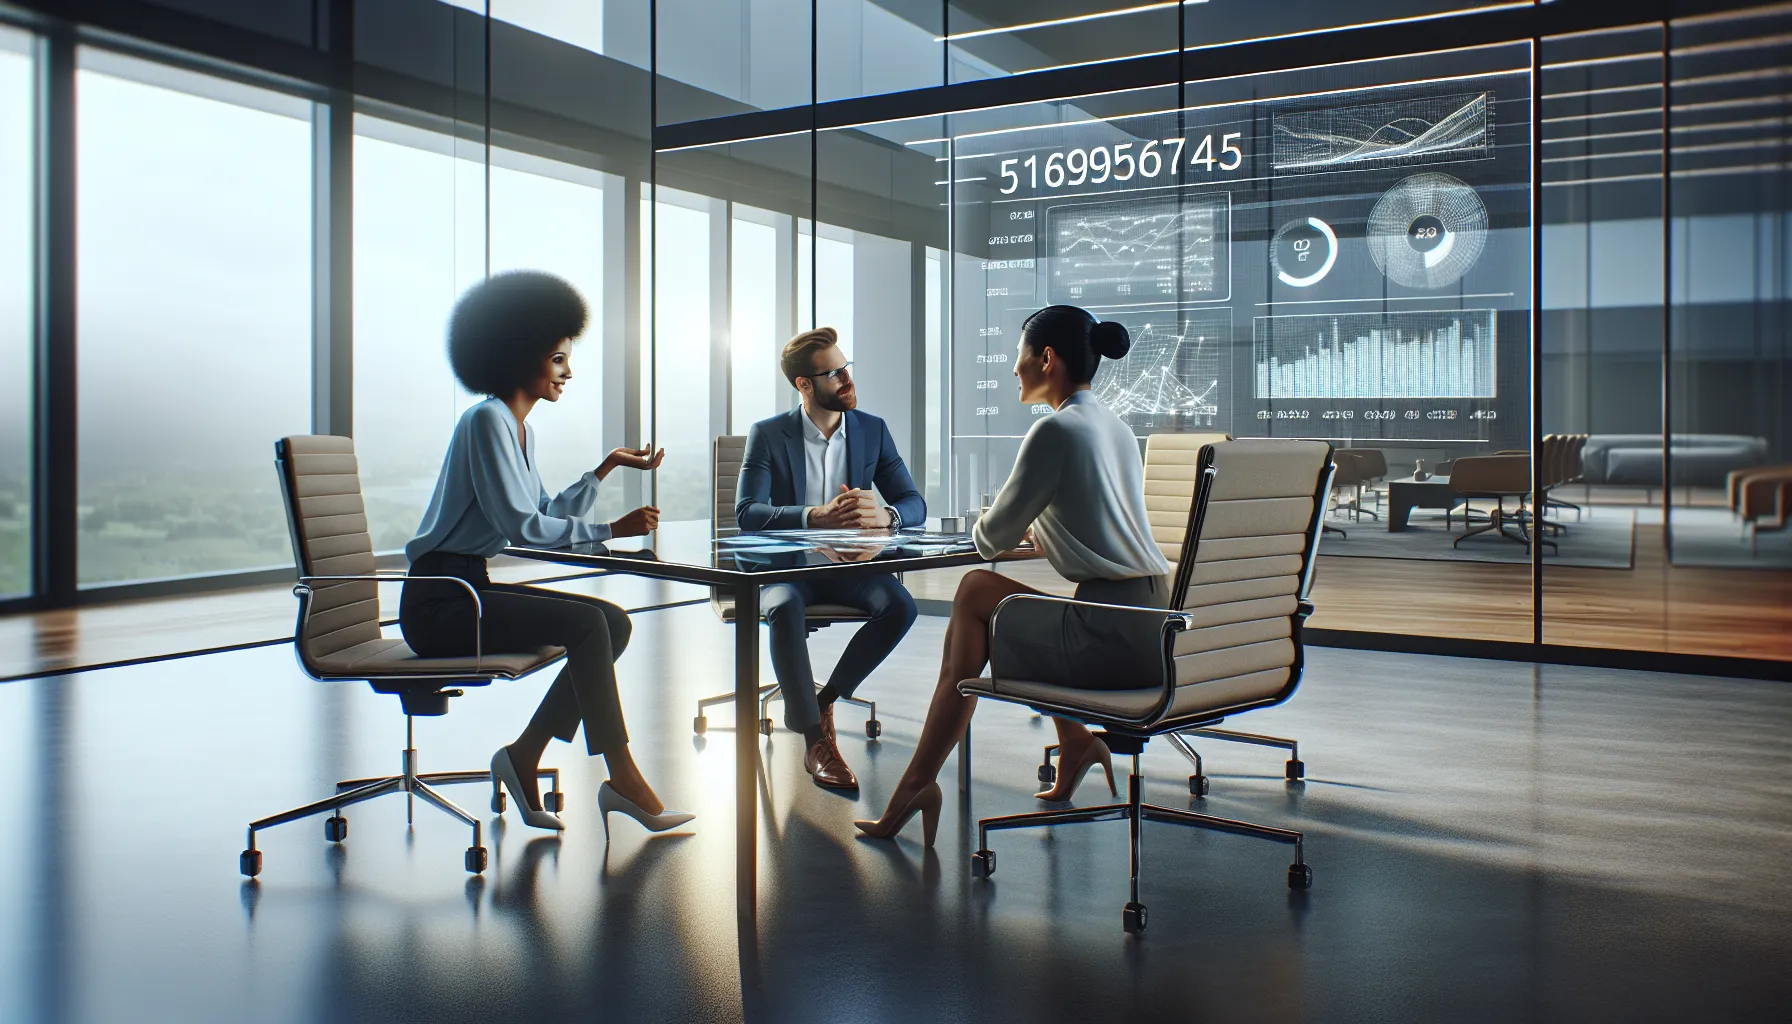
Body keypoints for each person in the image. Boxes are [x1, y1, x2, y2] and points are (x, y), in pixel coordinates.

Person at [854, 305, 1170, 846]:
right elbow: (1096, 517)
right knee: (985, 617)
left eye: (1018, 357)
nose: (1013, 370)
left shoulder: (1055, 430)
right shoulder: (1113, 425)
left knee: (977, 592)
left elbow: (989, 539)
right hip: (1154, 621)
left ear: (1046, 359)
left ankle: (917, 784)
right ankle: (1070, 743)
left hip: (1110, 632)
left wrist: (996, 519)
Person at [400, 270, 693, 837]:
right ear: (520, 356)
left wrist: (605, 469)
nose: (569, 372)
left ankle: (526, 755)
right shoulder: (487, 420)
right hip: (441, 601)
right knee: (589, 624)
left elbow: (544, 510)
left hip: (468, 590)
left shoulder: (516, 429)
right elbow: (521, 527)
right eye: (558, 359)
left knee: (611, 623)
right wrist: (612, 528)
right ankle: (623, 777)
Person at [735, 327, 925, 790]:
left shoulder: (871, 429)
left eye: (846, 368)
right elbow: (747, 513)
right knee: (783, 608)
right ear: (804, 385)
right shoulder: (768, 434)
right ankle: (815, 740)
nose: (846, 379)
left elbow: (914, 502)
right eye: (833, 373)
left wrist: (888, 516)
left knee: (901, 605)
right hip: (789, 567)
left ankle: (827, 698)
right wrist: (812, 516)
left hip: (848, 566)